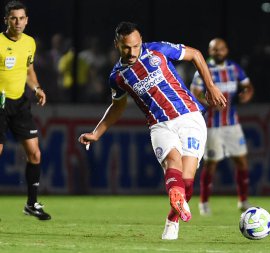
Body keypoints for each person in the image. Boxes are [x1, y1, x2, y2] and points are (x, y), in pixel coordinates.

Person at [78, 21, 226, 240]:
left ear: (141, 42)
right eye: (126, 47)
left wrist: (211, 86)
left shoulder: (158, 49)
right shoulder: (117, 77)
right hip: (159, 125)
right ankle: (175, 202)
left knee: (186, 185)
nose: (132, 52)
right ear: (117, 44)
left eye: (136, 46)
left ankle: (171, 221)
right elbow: (117, 106)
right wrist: (97, 133)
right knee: (172, 163)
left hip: (190, 117)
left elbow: (195, 54)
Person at [190, 38, 254, 215]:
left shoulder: (234, 68)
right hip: (212, 126)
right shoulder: (204, 70)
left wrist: (247, 95)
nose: (218, 52)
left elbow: (248, 86)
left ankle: (243, 200)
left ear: (226, 50)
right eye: (214, 50)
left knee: (241, 161)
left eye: (221, 49)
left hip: (232, 124)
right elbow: (194, 93)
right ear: (209, 52)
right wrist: (209, 102)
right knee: (211, 164)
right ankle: (204, 202)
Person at [0, 0, 50, 220]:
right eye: (13, 18)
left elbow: (29, 70)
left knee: (35, 153)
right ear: (6, 20)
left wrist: (37, 88)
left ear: (26, 20)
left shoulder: (29, 43)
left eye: (21, 18)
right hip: (0, 104)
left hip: (19, 103)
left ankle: (31, 203)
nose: (18, 22)